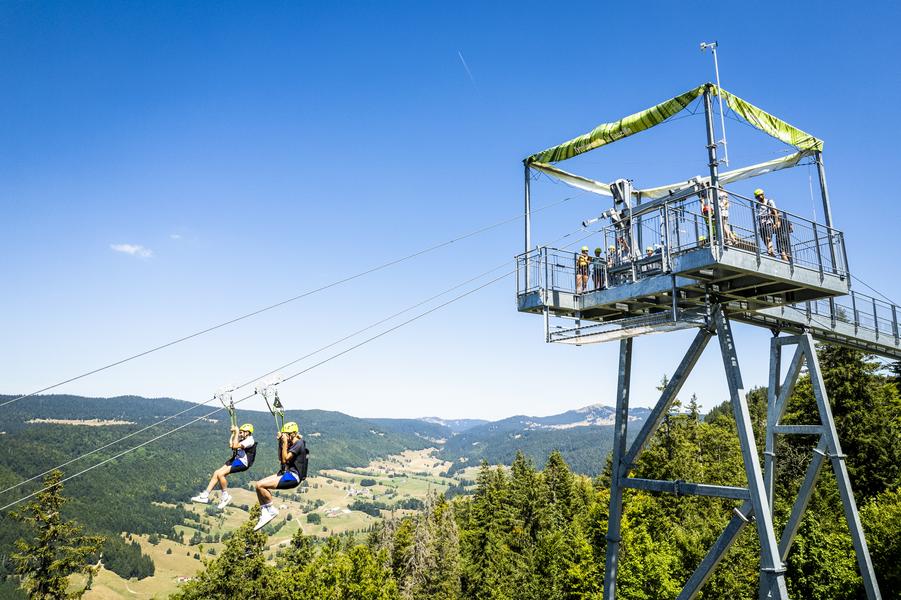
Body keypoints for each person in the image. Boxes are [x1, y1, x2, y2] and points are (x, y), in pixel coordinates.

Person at [253, 421, 308, 531]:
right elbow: (280, 458)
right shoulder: (293, 443)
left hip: (293, 476)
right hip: (287, 473)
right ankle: (265, 512)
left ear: (292, 434)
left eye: (286, 434)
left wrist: (283, 443)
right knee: (258, 485)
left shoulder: (299, 444)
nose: (285, 437)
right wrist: (280, 443)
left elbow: (284, 459)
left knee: (261, 486)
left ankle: (271, 510)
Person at [192, 423, 256, 509]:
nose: (240, 434)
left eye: (242, 432)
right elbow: (231, 445)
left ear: (247, 433)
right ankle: (205, 495)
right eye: (240, 432)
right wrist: (233, 434)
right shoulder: (243, 438)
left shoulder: (249, 441)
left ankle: (225, 496)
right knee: (216, 473)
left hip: (243, 462)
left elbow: (235, 445)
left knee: (221, 474)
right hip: (236, 459)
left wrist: (236, 433)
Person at [754, 188, 788, 260]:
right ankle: (771, 253)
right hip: (761, 224)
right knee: (765, 240)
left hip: (768, 222)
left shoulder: (769, 201)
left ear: (763, 195)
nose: (759, 198)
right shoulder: (757, 205)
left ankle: (770, 251)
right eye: (757, 197)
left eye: (760, 195)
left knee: (768, 238)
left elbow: (775, 212)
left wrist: (776, 222)